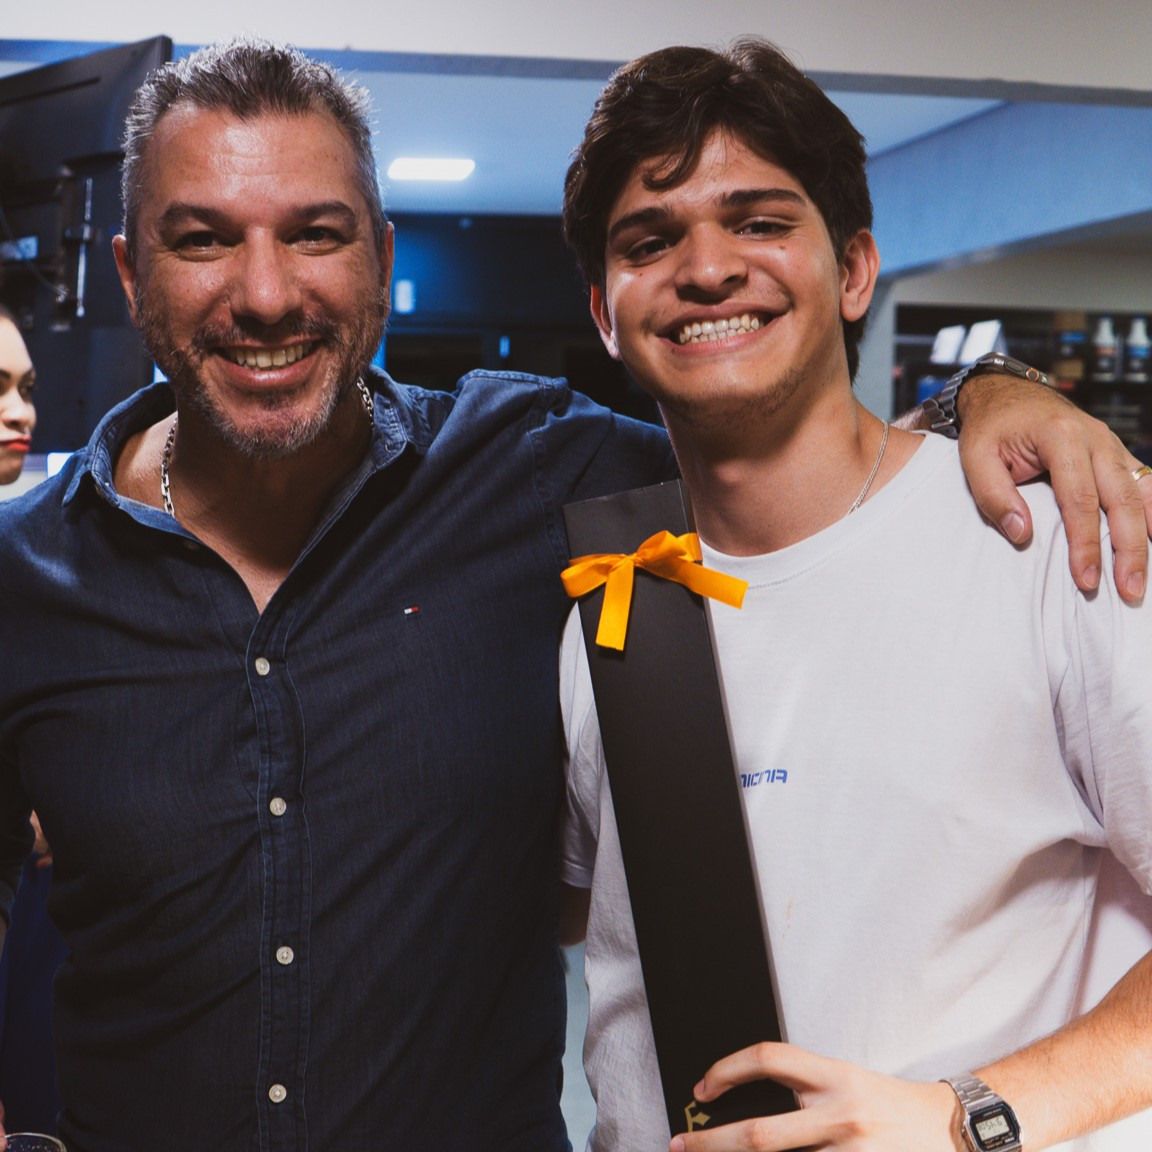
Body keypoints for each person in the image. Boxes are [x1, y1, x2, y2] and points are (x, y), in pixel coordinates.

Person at [0, 38, 1147, 1152]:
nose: (264, 292)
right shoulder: (23, 575)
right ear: (129, 272)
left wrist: (997, 391)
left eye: (316, 235)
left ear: (380, 255)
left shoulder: (537, 477)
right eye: (204, 239)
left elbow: (778, 434)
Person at [558, 39, 1152, 1152]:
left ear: (855, 271)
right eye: (652, 240)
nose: (707, 268)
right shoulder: (612, 599)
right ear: (605, 312)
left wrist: (965, 1117)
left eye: (761, 222)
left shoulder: (1050, 542)